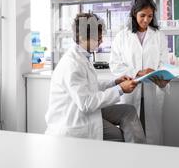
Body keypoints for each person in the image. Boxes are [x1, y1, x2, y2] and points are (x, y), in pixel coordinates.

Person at [45, 13, 146, 143]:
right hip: (75, 122)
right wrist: (120, 89)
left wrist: (115, 82)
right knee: (121, 136)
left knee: (128, 111)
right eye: (97, 39)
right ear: (82, 37)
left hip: (84, 111)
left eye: (100, 37)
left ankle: (138, 151)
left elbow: (90, 85)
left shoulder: (82, 56)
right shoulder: (72, 64)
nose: (101, 41)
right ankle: (133, 155)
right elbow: (86, 103)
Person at [109, 0, 169, 145]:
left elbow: (164, 63)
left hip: (152, 90)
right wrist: (137, 72)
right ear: (134, 13)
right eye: (142, 15)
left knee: (152, 134)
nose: (146, 20)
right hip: (130, 89)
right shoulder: (122, 36)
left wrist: (157, 73)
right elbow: (115, 64)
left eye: (150, 16)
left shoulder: (159, 36)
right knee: (131, 133)